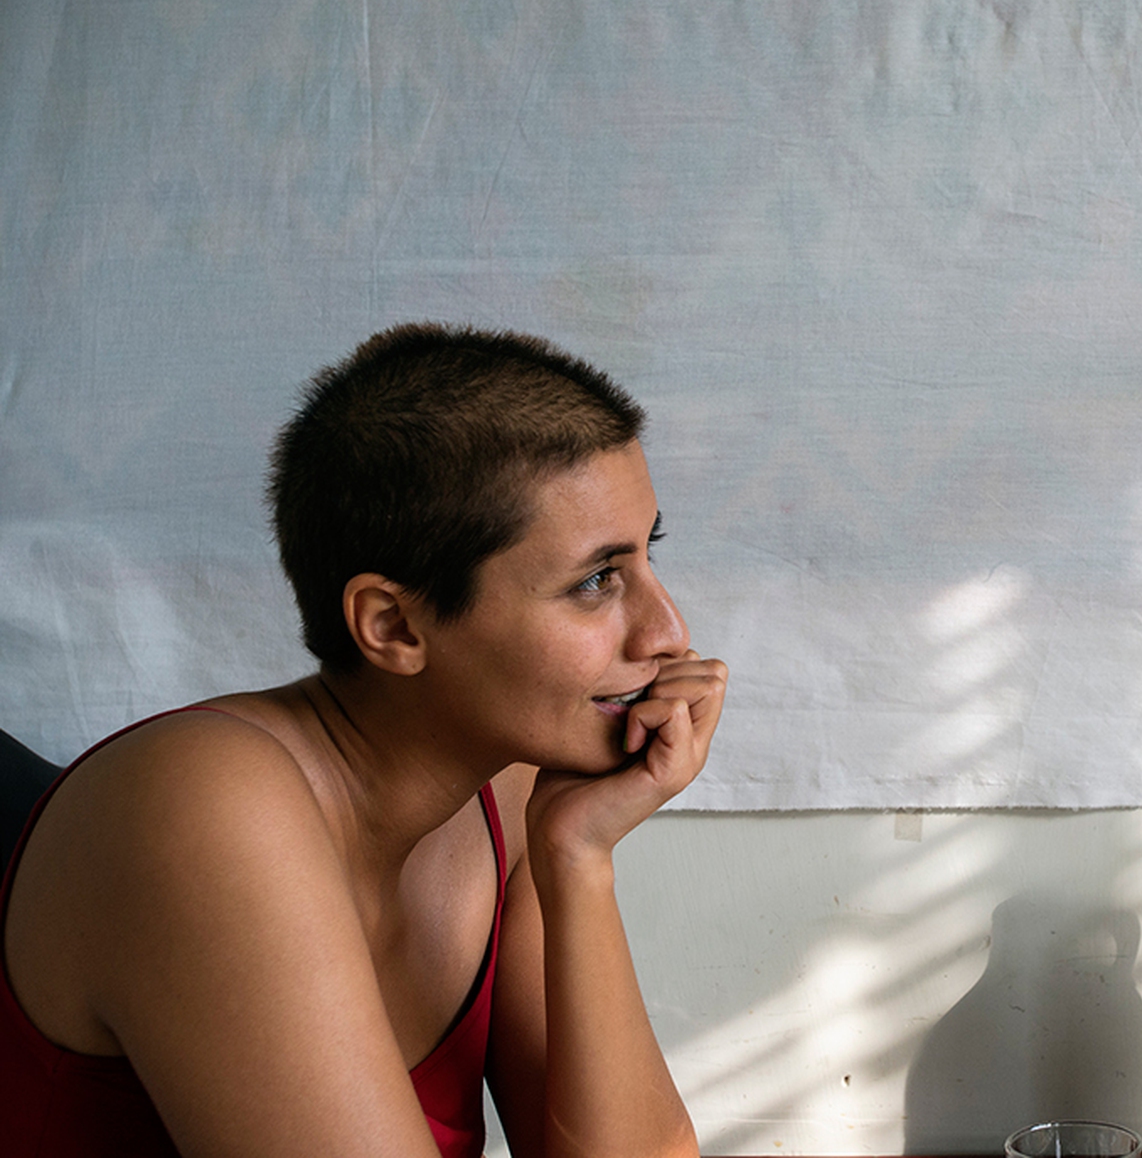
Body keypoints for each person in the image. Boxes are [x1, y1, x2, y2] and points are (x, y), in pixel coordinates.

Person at [0, 323, 727, 1157]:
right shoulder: (205, 805)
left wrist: (577, 857)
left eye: (647, 554)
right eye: (596, 581)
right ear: (393, 626)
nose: (668, 632)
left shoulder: (512, 794)